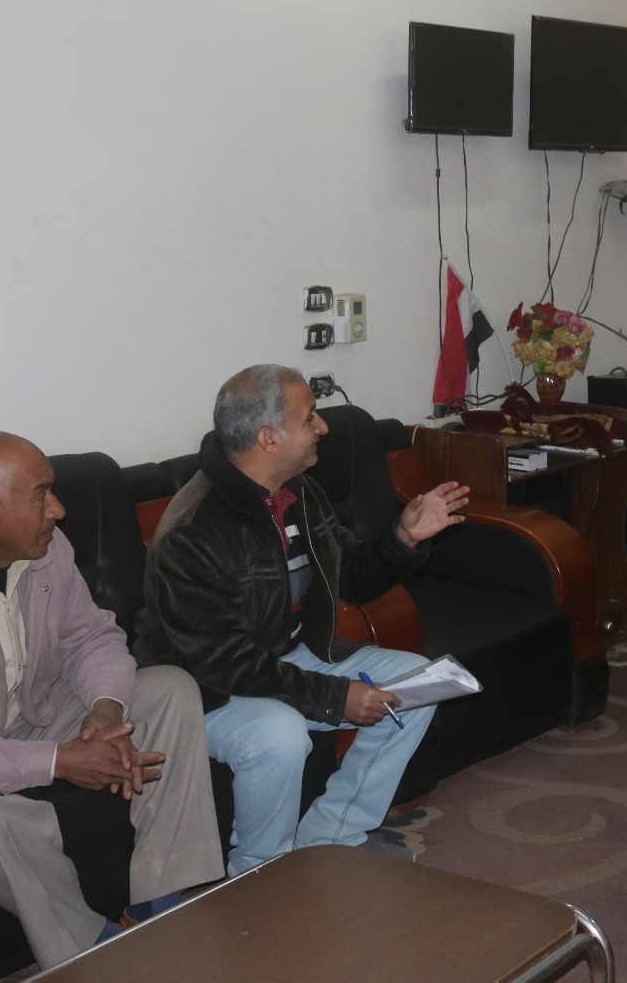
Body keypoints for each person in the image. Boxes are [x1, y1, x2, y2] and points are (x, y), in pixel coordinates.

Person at [0, 431, 224, 969]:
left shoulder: (46, 548)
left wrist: (105, 710)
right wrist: (59, 762)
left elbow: (91, 638)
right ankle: (87, 948)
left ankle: (163, 899)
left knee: (168, 690)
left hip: (35, 714)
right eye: (41, 494)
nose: (58, 508)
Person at [135, 364, 469, 876]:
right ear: (269, 438)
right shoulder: (194, 529)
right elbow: (224, 662)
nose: (323, 427)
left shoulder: (298, 492)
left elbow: (349, 575)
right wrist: (335, 697)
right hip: (205, 691)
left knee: (416, 684)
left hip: (285, 659)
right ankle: (260, 871)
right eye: (310, 416)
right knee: (282, 734)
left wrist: (403, 540)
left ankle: (330, 839)